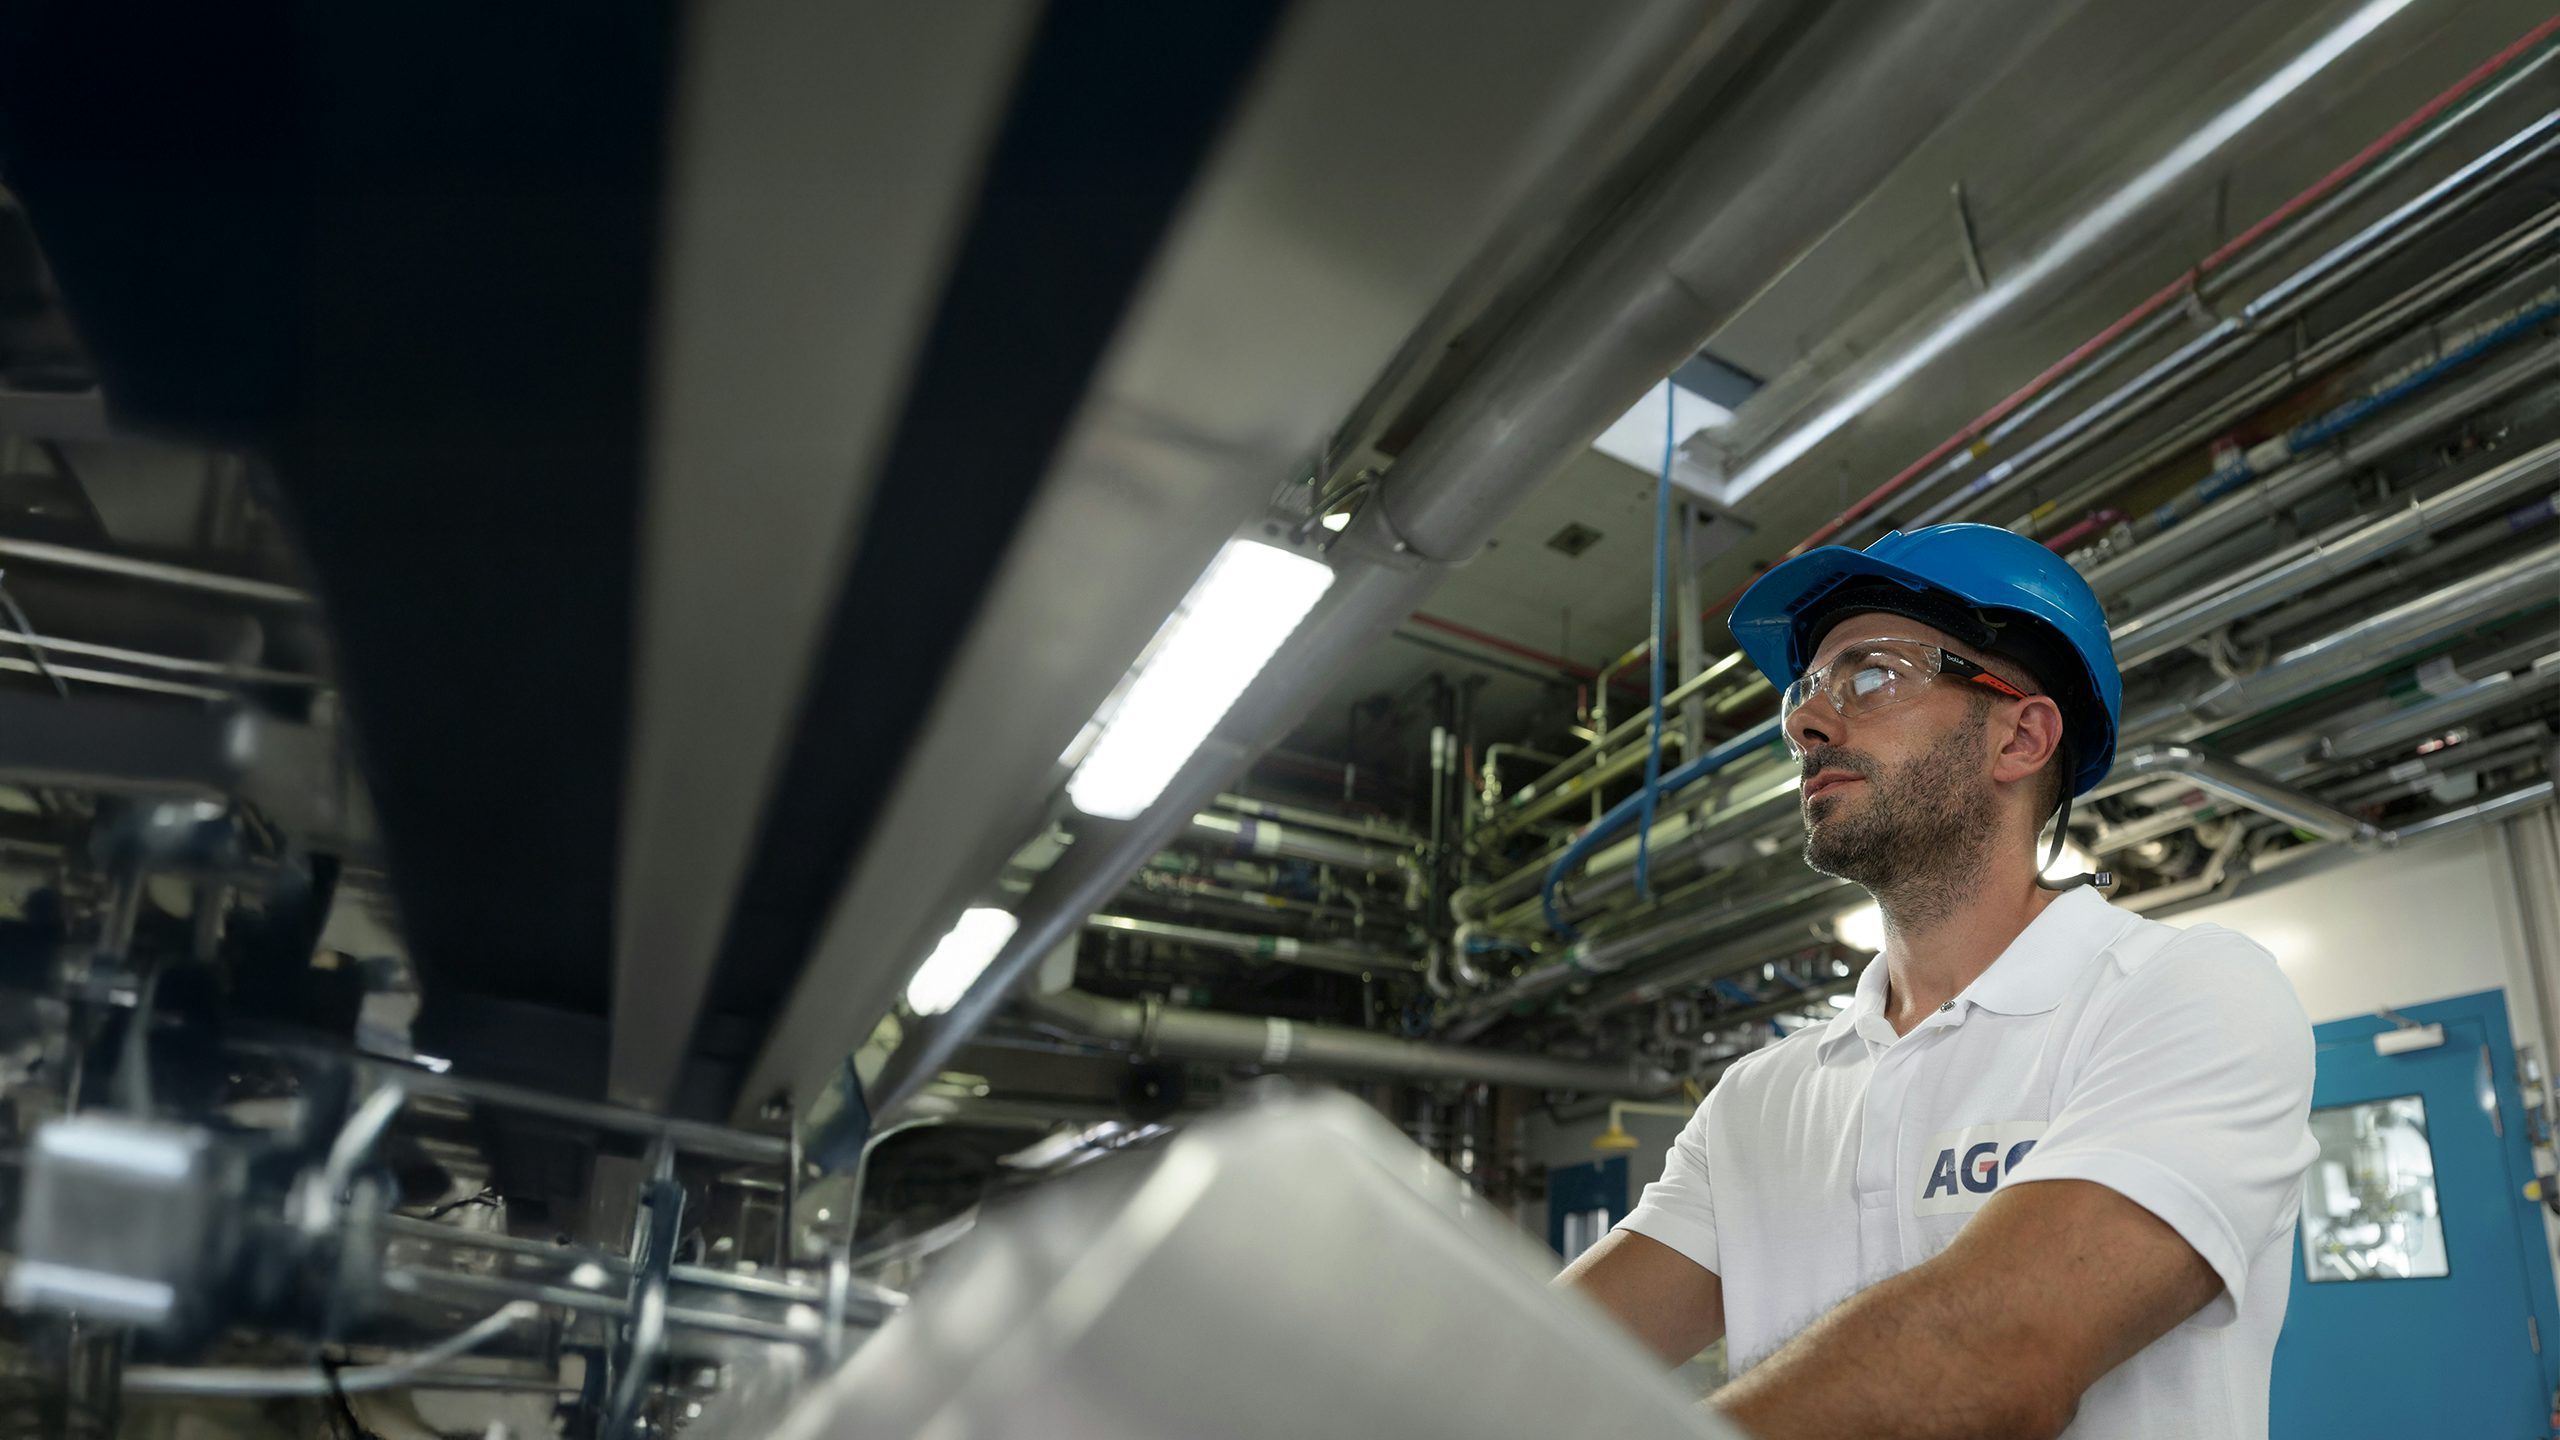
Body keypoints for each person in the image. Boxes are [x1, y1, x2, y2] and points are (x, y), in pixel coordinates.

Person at [1560, 523, 2316, 1440]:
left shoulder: (2187, 995)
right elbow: (1546, 1349)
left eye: (1872, 673)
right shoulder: (1760, 1101)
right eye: (1806, 690)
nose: (1805, 721)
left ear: (2022, 736)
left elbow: (1992, 1358)